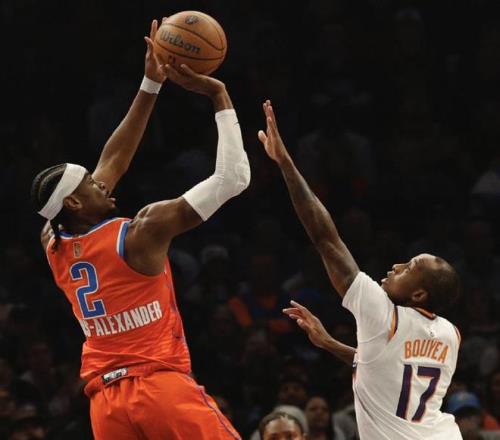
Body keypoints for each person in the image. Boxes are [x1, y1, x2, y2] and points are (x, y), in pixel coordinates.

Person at [30, 19, 249, 440]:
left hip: (106, 407)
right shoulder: (141, 232)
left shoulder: (53, 240)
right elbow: (234, 178)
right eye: (90, 183)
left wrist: (151, 84)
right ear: (74, 203)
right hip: (158, 388)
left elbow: (113, 160)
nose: (101, 181)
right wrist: (218, 95)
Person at [258, 100, 462, 439]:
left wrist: (286, 163)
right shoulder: (449, 334)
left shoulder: (382, 313)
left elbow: (326, 238)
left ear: (418, 294)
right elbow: (385, 368)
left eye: (409, 267)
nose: (396, 266)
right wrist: (330, 344)